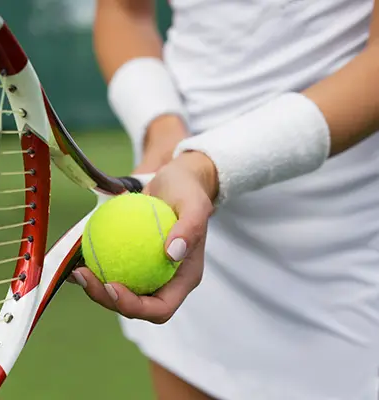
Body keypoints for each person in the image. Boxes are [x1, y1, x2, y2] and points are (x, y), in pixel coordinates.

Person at [68, 1, 379, 399]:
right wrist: (160, 126)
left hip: (343, 246)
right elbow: (124, 12)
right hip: (186, 229)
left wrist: (211, 166)